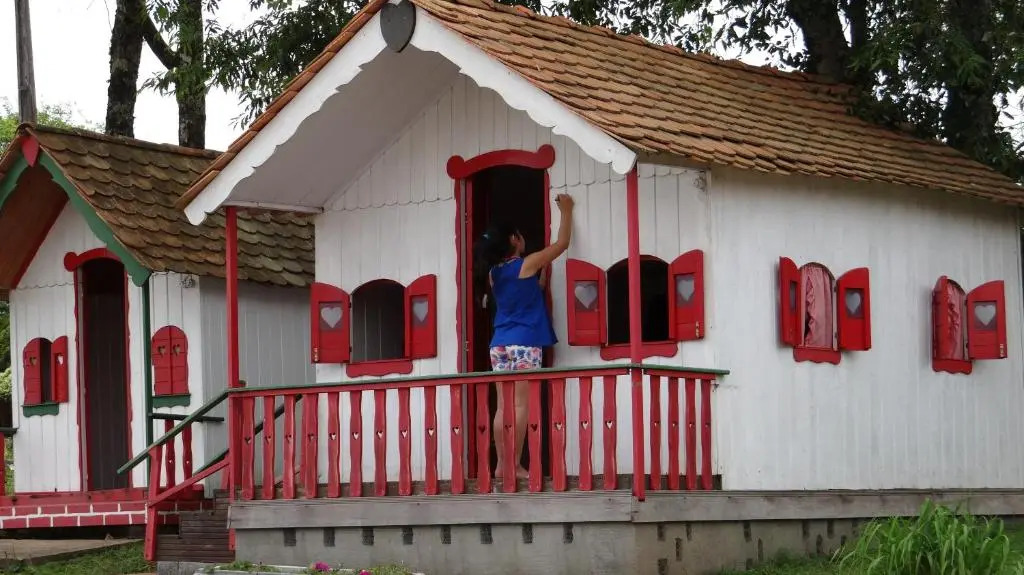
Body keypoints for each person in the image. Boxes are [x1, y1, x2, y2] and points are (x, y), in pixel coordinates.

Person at [476, 193, 575, 479]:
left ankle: (501, 464)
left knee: (502, 407)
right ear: (514, 239)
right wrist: (566, 211)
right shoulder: (525, 264)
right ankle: (515, 465)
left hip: (499, 344)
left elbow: (528, 290)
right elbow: (562, 244)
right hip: (524, 342)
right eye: (519, 235)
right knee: (520, 405)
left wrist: (541, 275)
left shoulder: (494, 273)